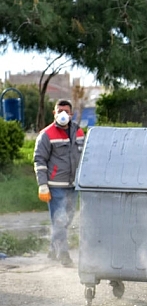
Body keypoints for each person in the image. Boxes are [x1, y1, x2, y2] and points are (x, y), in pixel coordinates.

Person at [33, 99, 85, 267]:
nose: (63, 114)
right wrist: (42, 185)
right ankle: (63, 255)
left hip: (73, 185)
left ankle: (52, 250)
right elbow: (39, 160)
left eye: (66, 111)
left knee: (67, 219)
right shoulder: (46, 134)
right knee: (60, 221)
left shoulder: (78, 132)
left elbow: (85, 155)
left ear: (71, 114)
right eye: (59, 111)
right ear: (54, 113)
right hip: (55, 186)